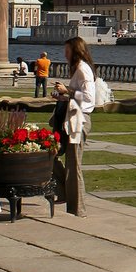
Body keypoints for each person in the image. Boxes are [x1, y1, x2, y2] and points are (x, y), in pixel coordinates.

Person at [51, 36, 96, 216]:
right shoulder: (78, 69)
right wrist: (62, 96)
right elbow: (76, 97)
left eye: (67, 51)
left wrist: (67, 91)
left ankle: (78, 208)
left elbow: (89, 98)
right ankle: (64, 192)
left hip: (79, 121)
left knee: (74, 164)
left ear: (75, 51)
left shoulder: (83, 69)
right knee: (53, 154)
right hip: (71, 119)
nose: (65, 54)